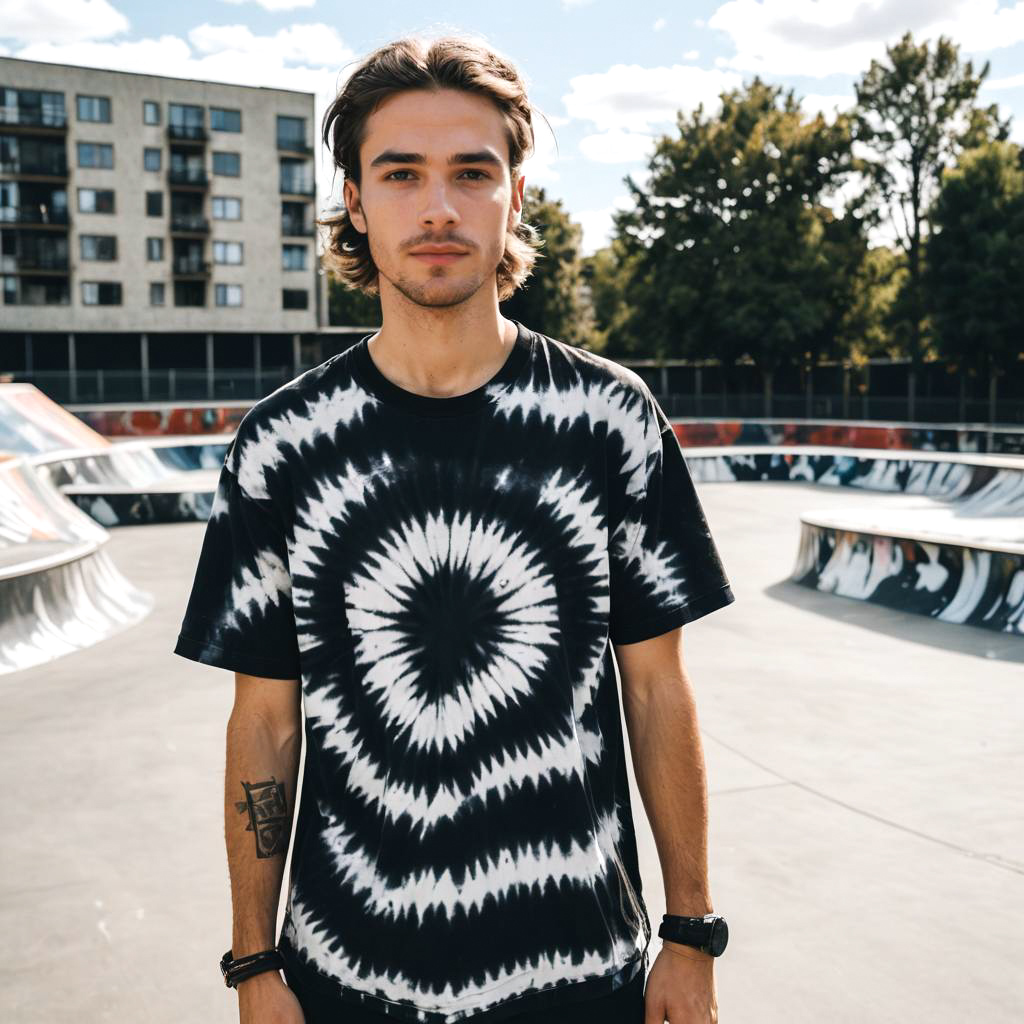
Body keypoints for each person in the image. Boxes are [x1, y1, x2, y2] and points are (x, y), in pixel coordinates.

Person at [173, 33, 734, 1024]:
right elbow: (264, 717)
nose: (437, 208)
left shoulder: (609, 418)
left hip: (579, 977)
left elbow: (655, 686)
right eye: (401, 174)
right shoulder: (284, 444)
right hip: (343, 978)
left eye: (472, 173)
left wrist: (688, 934)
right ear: (354, 197)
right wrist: (252, 963)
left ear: (515, 193)